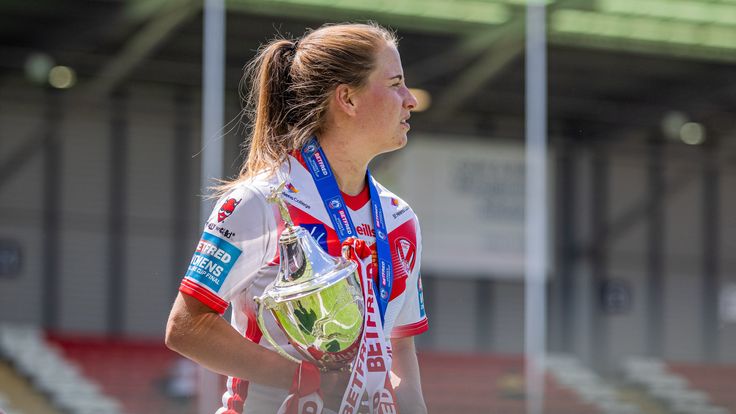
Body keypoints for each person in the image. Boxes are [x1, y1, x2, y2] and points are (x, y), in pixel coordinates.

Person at [165, 22, 428, 414]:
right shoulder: (260, 201)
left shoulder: (399, 219)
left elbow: (399, 347)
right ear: (348, 99)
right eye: (395, 84)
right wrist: (302, 377)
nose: (410, 100)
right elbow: (187, 327)